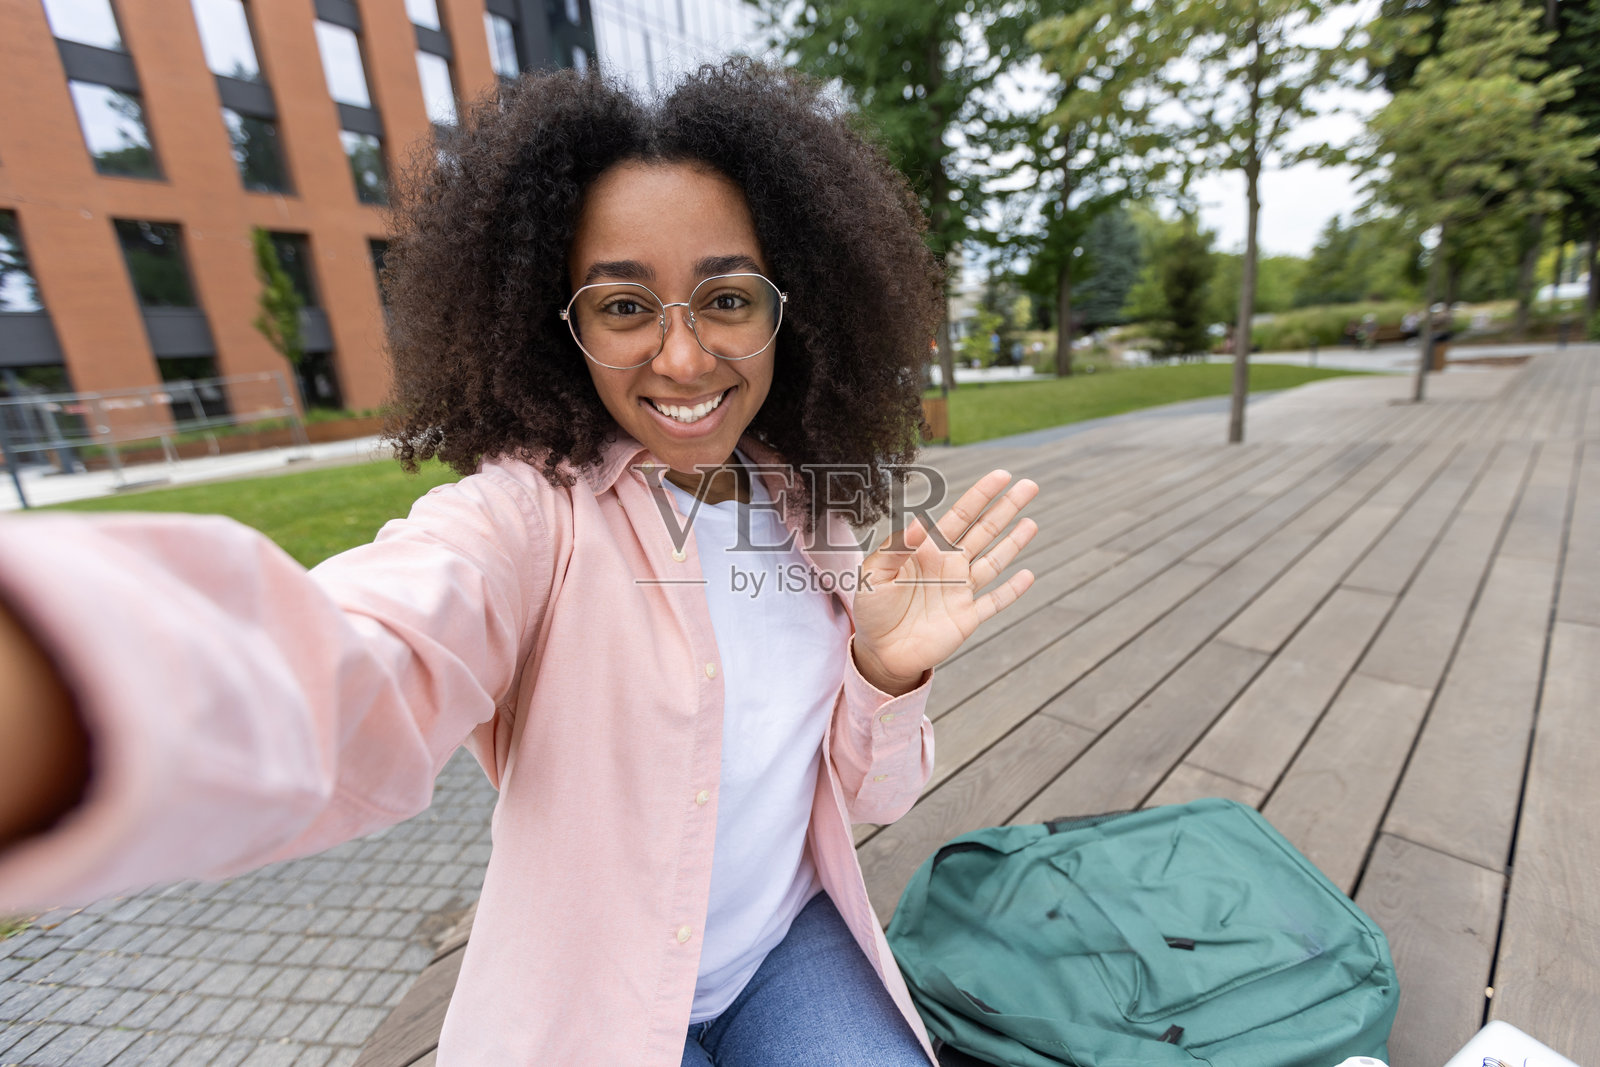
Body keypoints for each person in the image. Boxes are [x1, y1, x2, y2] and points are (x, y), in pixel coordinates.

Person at [0, 62, 1040, 1065]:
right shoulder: (524, 519)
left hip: (787, 945)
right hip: (593, 992)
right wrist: (72, 687)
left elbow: (873, 801)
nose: (682, 359)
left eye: (726, 298)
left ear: (789, 309)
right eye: (624, 306)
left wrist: (883, 671)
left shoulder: (804, 503)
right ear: (560, 328)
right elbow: (352, 665)